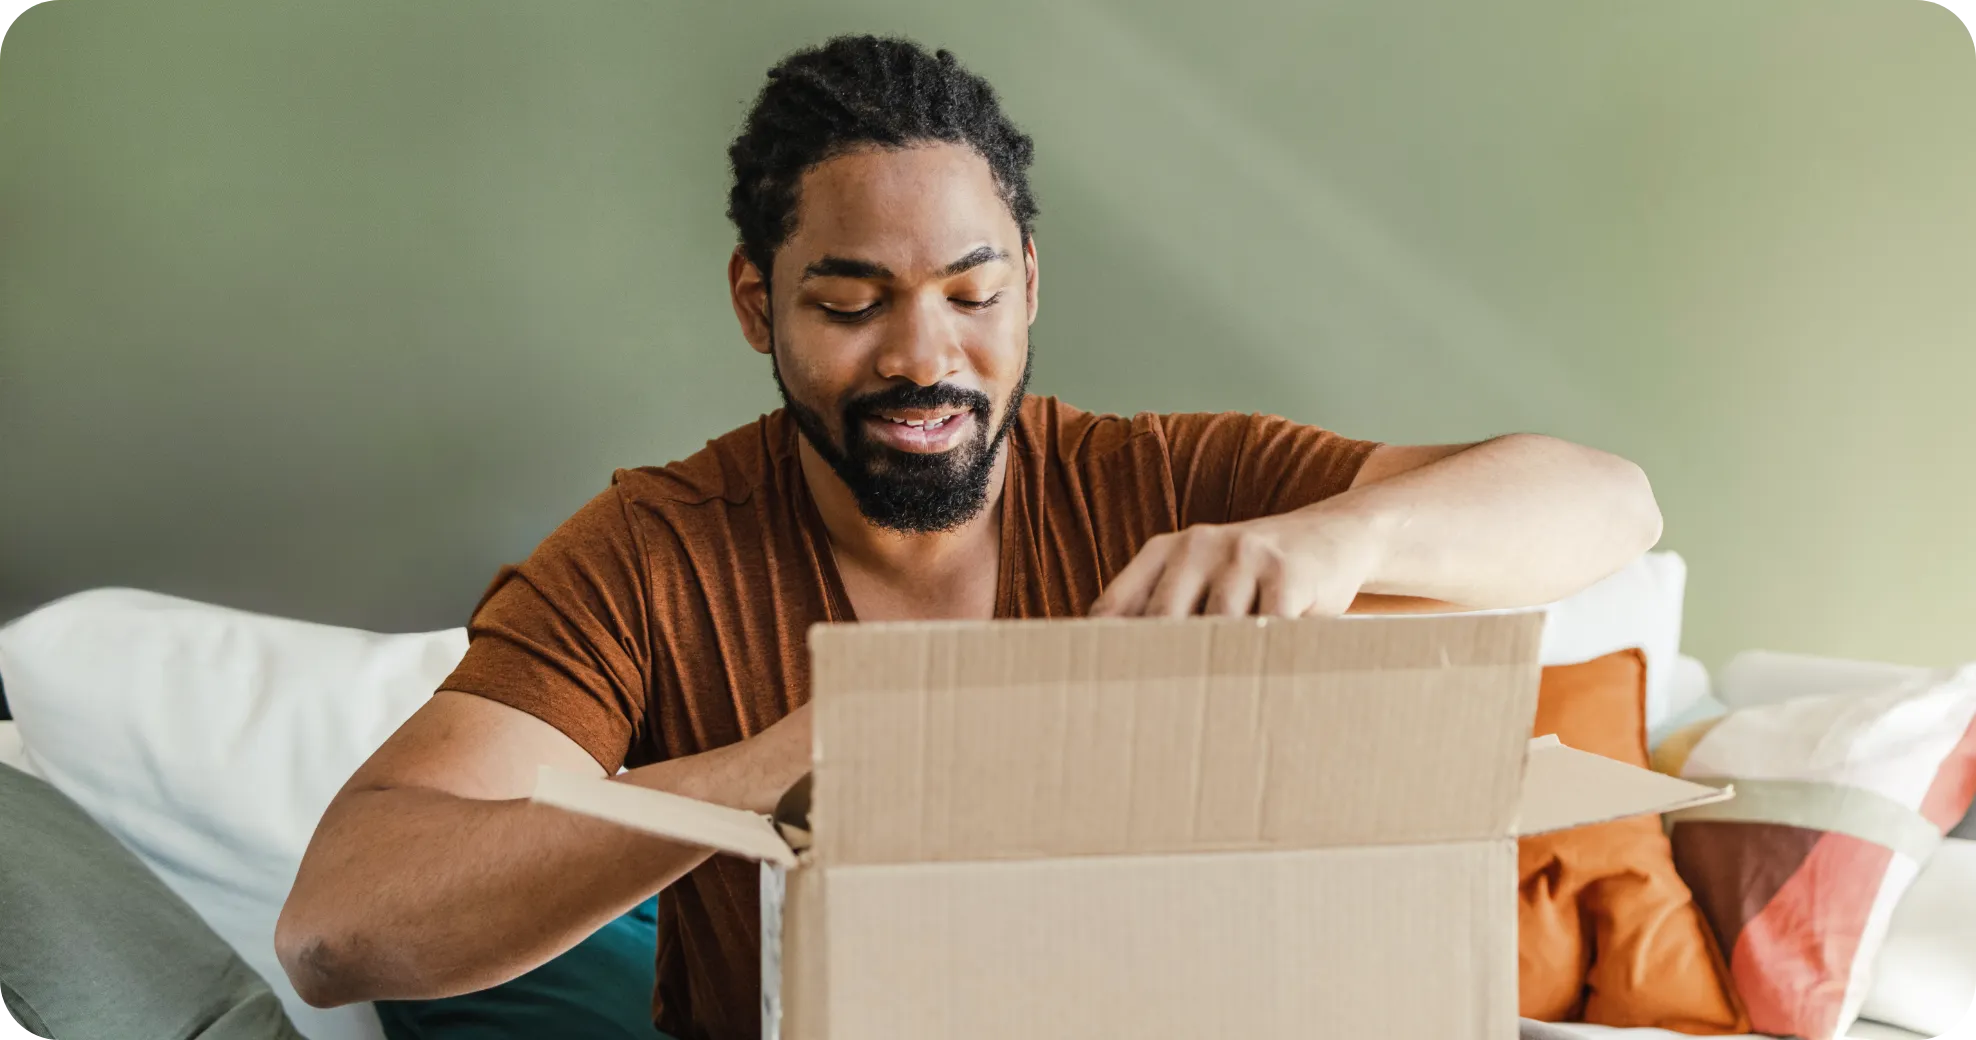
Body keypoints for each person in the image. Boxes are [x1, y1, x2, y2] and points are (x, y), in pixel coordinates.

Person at [275, 34, 1663, 1040]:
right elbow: (338, 930)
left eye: (973, 294)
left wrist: (1340, 544)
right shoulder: (652, 555)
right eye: (852, 300)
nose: (924, 358)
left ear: (1031, 286)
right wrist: (777, 770)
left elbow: (1611, 502)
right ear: (758, 304)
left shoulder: (1176, 481)